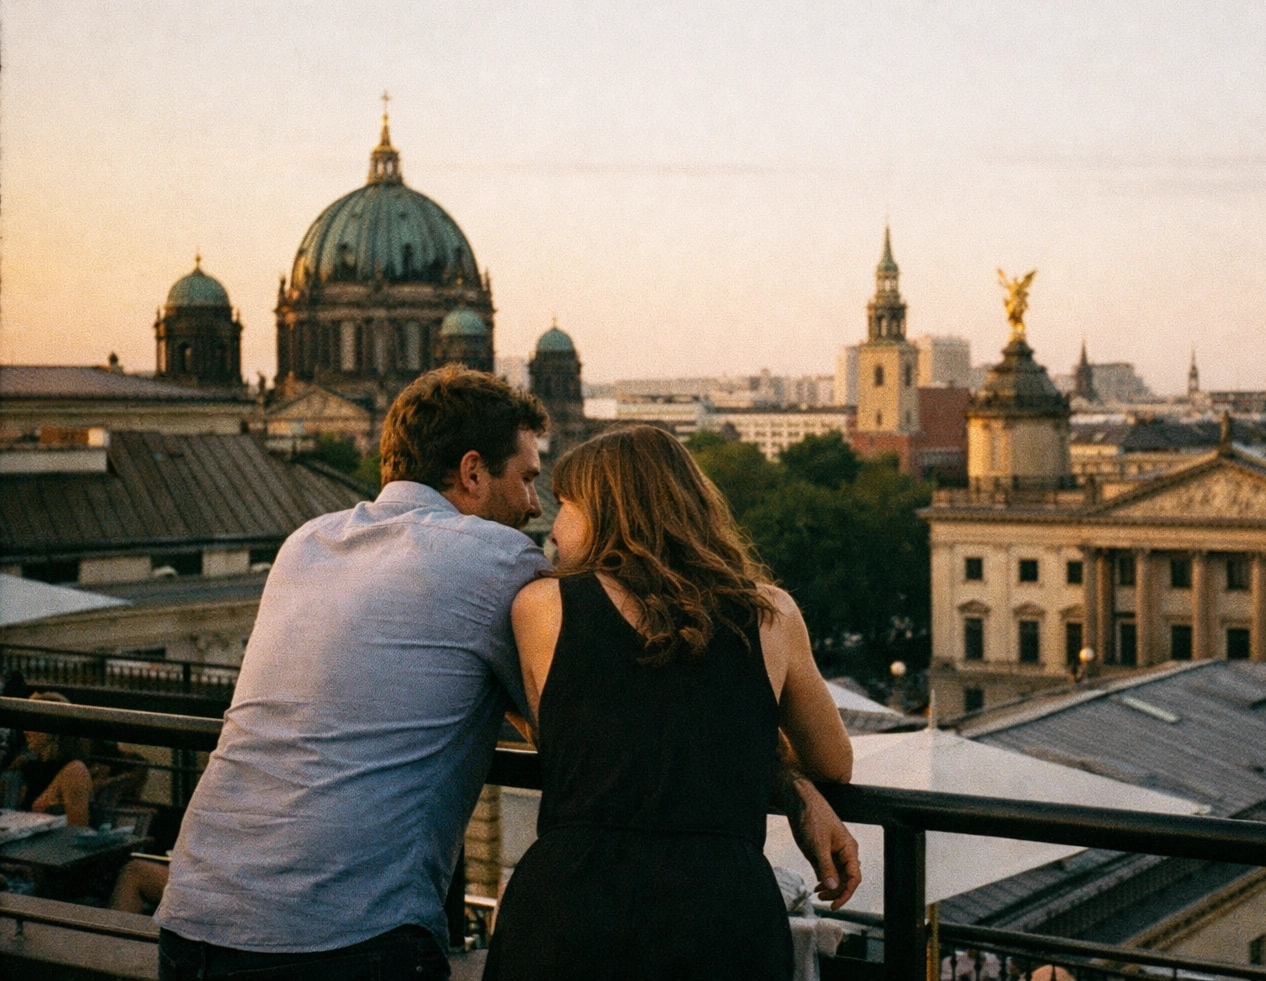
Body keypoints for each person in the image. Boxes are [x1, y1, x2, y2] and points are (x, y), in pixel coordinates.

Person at [154, 366, 857, 981]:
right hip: (346, 930)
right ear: (471, 472)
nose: (535, 509)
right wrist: (793, 785)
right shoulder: (502, 563)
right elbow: (636, 729)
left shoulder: (307, 541)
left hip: (196, 910)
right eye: (526, 479)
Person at [483, 424, 860, 981]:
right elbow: (833, 762)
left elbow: (575, 744)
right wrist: (794, 785)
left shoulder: (542, 606)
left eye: (566, 504)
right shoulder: (771, 614)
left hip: (576, 904)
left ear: (609, 511)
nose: (554, 526)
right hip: (723, 911)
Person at [14, 692, 92, 826]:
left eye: (33, 724)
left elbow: (78, 828)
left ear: (51, 729)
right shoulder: (34, 768)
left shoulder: (73, 771)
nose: (26, 731)